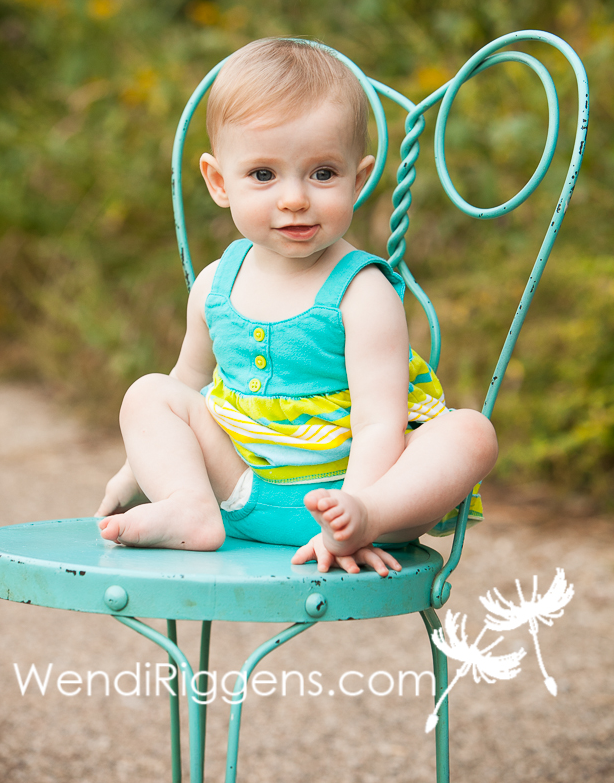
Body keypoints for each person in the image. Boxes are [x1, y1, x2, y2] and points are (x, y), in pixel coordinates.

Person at [97, 38, 498, 577]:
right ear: (220, 182)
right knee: (149, 392)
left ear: (358, 179)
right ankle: (188, 507)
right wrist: (134, 473)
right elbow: (188, 382)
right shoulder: (216, 284)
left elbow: (380, 423)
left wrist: (356, 511)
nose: (294, 199)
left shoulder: (362, 291)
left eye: (323, 174)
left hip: (366, 496)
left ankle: (363, 514)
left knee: (471, 431)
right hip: (242, 493)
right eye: (263, 175)